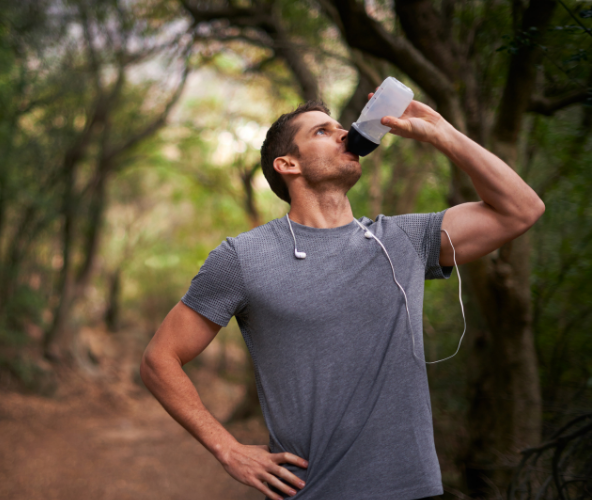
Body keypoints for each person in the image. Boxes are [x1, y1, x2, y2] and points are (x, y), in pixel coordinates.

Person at [140, 95, 544, 500]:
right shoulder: (243, 257)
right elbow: (160, 359)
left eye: (340, 127)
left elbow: (521, 210)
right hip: (312, 491)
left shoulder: (402, 240)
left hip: (415, 490)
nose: (345, 134)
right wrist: (227, 450)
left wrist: (444, 133)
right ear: (288, 164)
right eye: (322, 131)